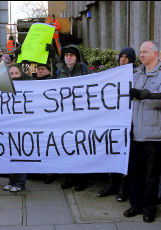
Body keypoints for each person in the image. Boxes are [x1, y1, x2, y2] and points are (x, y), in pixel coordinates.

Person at [124, 41, 161, 223]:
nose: (141, 55)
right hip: (137, 132)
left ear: (155, 53)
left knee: (151, 175)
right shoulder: (136, 73)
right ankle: (135, 204)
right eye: (140, 52)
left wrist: (141, 94)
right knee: (135, 172)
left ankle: (149, 208)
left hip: (155, 134)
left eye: (145, 52)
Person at [96, 47, 137, 202]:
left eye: (127, 57)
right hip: (114, 121)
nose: (123, 59)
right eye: (121, 56)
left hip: (130, 121)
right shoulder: (113, 74)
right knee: (113, 152)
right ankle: (112, 183)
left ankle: (124, 187)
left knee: (126, 155)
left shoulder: (137, 74)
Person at [55, 45, 92, 191]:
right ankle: (69, 177)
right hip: (65, 117)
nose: (68, 57)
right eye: (66, 55)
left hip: (81, 116)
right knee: (67, 147)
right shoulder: (59, 71)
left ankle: (82, 179)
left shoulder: (84, 70)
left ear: (76, 57)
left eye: (71, 55)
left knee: (81, 147)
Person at [2, 63, 32, 193]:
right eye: (11, 74)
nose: (14, 76)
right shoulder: (3, 89)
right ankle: (11, 181)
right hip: (10, 127)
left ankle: (20, 182)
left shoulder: (28, 87)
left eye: (16, 73)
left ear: (21, 74)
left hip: (23, 127)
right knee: (11, 155)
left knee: (21, 155)